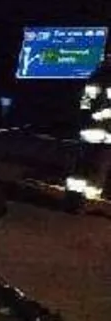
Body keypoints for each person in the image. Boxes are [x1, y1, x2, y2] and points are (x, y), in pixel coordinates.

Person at [64, 57, 111, 212]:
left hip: (94, 131)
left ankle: (76, 201)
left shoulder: (95, 80)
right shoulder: (97, 81)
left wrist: (86, 118)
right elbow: (86, 105)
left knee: (84, 166)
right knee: (94, 166)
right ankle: (82, 201)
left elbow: (84, 105)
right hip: (100, 132)